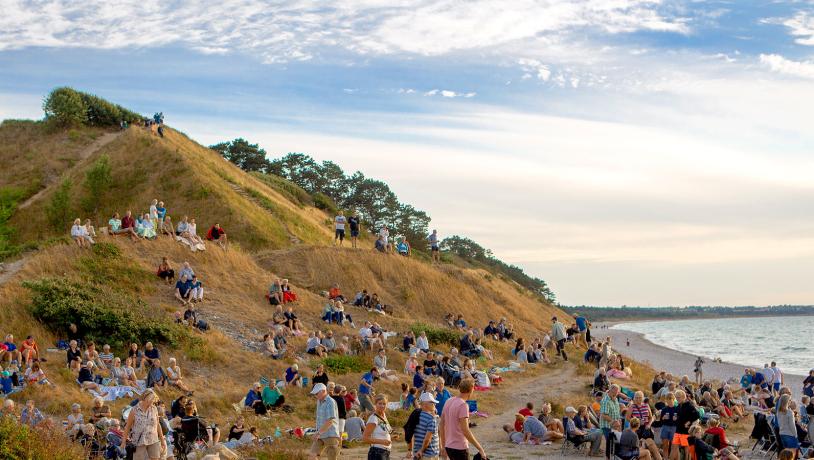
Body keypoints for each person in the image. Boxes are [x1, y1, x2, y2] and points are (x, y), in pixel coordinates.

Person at [439, 378, 486, 460]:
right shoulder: (463, 405)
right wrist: (480, 448)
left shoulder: (448, 401)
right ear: (471, 389)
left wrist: (443, 446)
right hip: (459, 447)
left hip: (449, 446)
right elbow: (465, 430)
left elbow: (442, 425)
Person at [122, 389, 167, 460]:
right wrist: (123, 442)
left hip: (153, 439)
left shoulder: (154, 409)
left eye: (153, 399)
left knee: (156, 458)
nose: (153, 401)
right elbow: (127, 427)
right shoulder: (134, 410)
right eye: (151, 399)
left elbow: (158, 424)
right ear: (145, 397)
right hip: (139, 440)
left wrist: (162, 440)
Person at [311, 383, 340, 460]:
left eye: (317, 393)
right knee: (312, 456)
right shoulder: (319, 401)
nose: (315, 395)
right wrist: (318, 432)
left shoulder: (330, 402)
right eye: (315, 394)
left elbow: (330, 421)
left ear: (323, 391)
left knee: (331, 458)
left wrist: (318, 433)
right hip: (320, 434)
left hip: (330, 434)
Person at [669, 390, 699, 460]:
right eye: (676, 397)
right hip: (678, 430)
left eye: (678, 397)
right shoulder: (679, 406)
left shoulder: (689, 405)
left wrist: (689, 422)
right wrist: (675, 418)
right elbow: (679, 417)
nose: (677, 399)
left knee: (686, 450)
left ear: (683, 397)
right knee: (674, 447)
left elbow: (697, 416)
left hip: (685, 431)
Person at [363, 394, 392, 460]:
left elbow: (381, 433)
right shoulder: (373, 418)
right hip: (377, 453)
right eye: (380, 403)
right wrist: (383, 441)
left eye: (384, 404)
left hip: (385, 452)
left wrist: (391, 437)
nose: (382, 406)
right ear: (375, 404)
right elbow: (365, 438)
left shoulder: (383, 415)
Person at [600, 384, 622, 459]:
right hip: (607, 425)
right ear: (611, 390)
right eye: (616, 391)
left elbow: (617, 412)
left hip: (615, 425)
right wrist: (613, 421)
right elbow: (603, 415)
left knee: (615, 443)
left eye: (618, 392)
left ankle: (614, 457)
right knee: (609, 443)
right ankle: (608, 458)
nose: (617, 393)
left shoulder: (615, 398)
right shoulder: (606, 400)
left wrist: (619, 423)